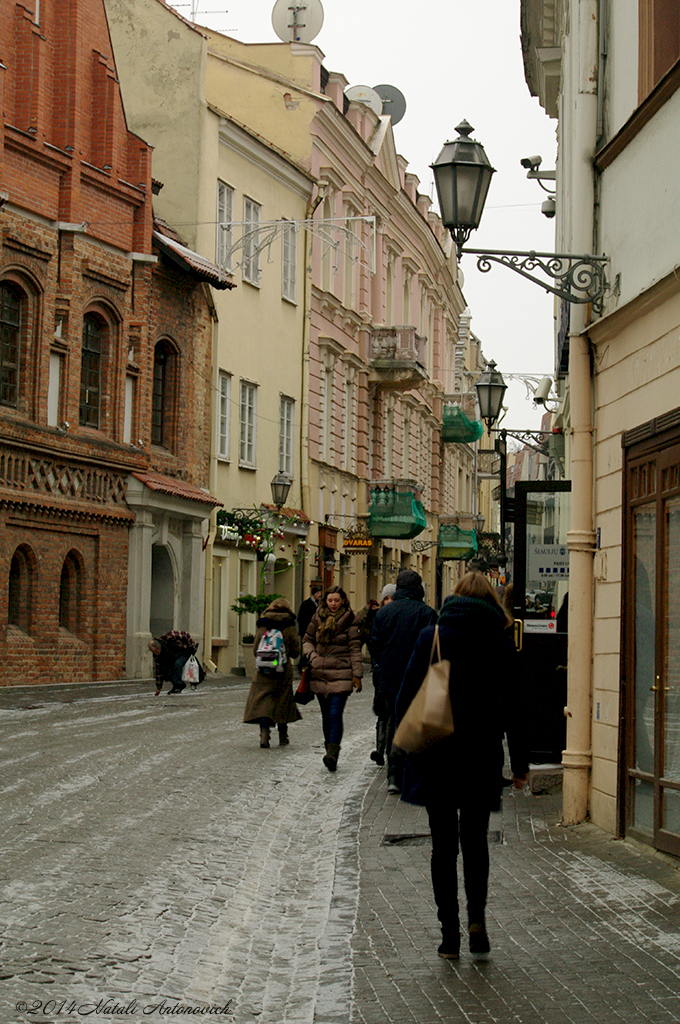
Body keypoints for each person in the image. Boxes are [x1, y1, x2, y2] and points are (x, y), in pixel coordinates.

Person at [396, 572, 529, 961]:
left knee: (442, 845)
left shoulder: (432, 637)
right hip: (481, 754)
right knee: (475, 841)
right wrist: (520, 763)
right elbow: (516, 708)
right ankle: (478, 923)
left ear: (455, 599)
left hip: (437, 752)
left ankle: (448, 935)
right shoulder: (501, 642)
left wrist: (402, 749)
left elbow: (406, 696)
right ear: (493, 601)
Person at [369, 570, 438, 793]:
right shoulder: (427, 613)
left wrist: (386, 664)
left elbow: (374, 645)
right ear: (419, 589)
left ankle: (394, 776)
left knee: (393, 723)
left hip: (391, 679)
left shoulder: (384, 613)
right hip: (419, 679)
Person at [303, 585, 363, 772]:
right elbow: (307, 640)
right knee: (326, 715)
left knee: (335, 713)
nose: (333, 604)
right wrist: (312, 656)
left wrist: (357, 674)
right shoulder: (317, 617)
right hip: (320, 672)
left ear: (343, 600)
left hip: (341, 673)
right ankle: (329, 746)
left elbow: (355, 648)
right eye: (330, 600)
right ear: (325, 601)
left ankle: (332, 753)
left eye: (337, 600)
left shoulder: (350, 621)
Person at [243, 597, 301, 748]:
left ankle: (264, 734)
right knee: (283, 701)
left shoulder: (263, 624)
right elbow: (295, 652)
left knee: (263, 702)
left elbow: (256, 649)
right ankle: (283, 736)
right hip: (282, 670)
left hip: (264, 670)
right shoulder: (289, 625)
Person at [367, 584, 396, 766]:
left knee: (390, 712)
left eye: (391, 598)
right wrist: (377, 664)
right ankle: (379, 749)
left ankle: (388, 748)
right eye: (386, 598)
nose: (388, 601)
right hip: (381, 670)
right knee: (382, 712)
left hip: (391, 669)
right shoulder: (380, 616)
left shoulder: (396, 616)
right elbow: (373, 643)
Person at [149, 630, 201, 696]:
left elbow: (186, 634)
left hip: (184, 651)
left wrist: (191, 646)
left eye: (156, 651)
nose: (156, 653)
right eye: (154, 652)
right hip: (173, 657)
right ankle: (177, 685)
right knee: (166, 671)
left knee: (177, 664)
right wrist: (159, 688)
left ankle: (178, 684)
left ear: (159, 647)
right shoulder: (158, 657)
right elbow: (158, 671)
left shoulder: (169, 637)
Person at [297, 584, 322, 668]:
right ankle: (303, 666)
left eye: (320, 593)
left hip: (317, 632)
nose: (319, 595)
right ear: (314, 593)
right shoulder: (306, 604)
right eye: (318, 593)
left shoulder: (320, 604)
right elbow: (300, 618)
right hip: (306, 631)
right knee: (307, 649)